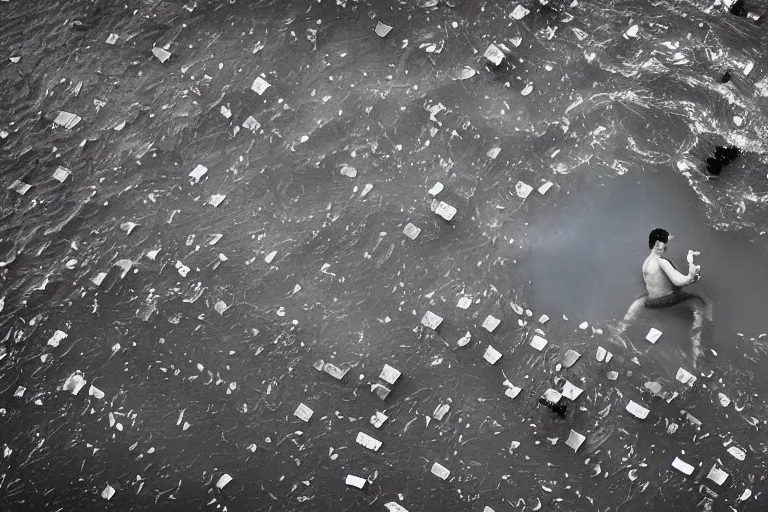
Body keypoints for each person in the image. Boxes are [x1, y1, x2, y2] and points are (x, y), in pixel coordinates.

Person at [614, 228, 712, 367]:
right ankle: (696, 349)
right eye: (664, 243)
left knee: (639, 302)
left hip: (651, 302)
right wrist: (691, 275)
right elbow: (678, 281)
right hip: (667, 300)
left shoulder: (647, 262)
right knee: (699, 304)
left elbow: (658, 282)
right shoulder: (661, 262)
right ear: (659, 245)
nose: (666, 245)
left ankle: (620, 329)